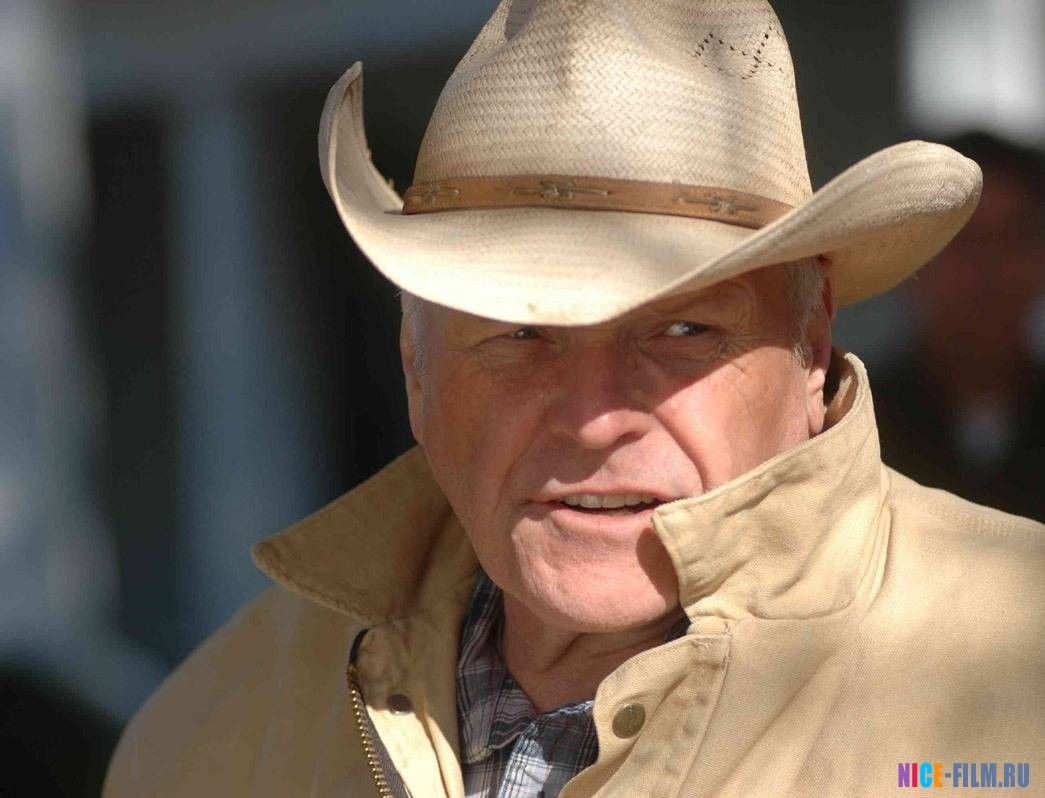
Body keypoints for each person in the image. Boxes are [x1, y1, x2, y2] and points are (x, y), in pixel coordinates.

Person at [103, 1, 1045, 796]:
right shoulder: (209, 736)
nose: (594, 418)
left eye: (684, 329)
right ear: (415, 365)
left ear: (811, 344)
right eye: (519, 332)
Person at [873, 131, 1045, 522]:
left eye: (1012, 238)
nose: (990, 269)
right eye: (966, 239)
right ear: (912, 259)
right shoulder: (856, 427)